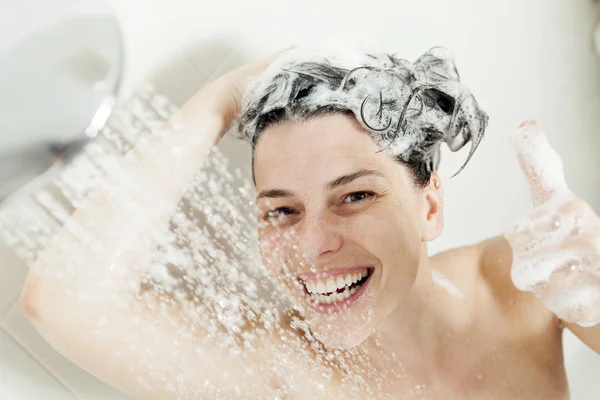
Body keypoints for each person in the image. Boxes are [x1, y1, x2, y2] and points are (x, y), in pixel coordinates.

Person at [19, 44, 600, 399]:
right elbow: (65, 300)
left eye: (354, 197)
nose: (312, 247)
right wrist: (226, 97)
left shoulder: (523, 282)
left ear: (429, 205)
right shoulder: (283, 371)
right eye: (282, 209)